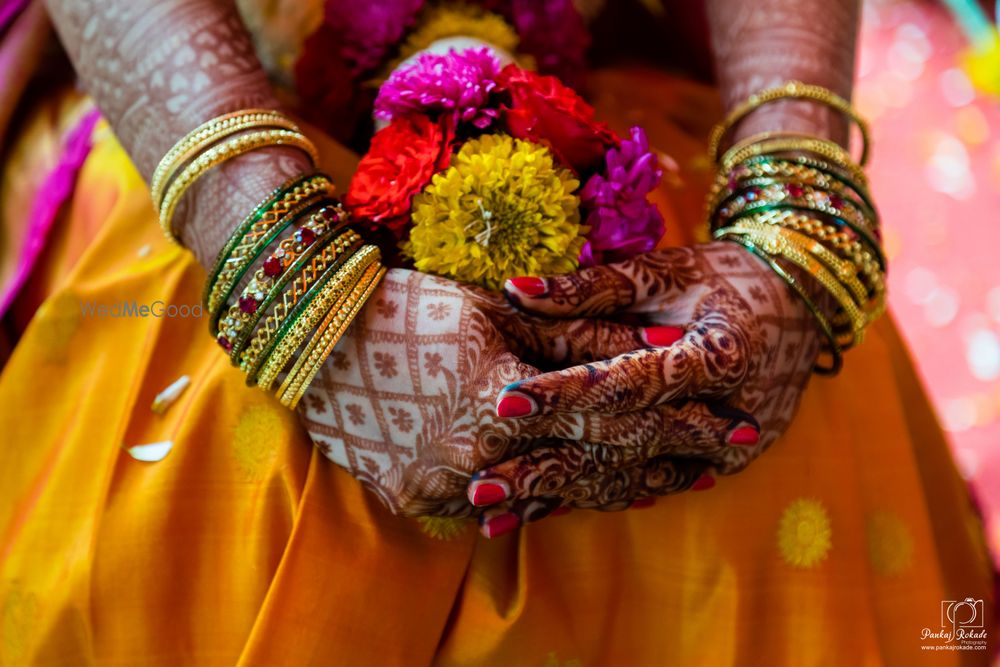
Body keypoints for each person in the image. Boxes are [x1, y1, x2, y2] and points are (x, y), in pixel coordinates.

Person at [0, 0, 993, 664]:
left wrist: (793, 206)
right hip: (207, 104)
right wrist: (285, 274)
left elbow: (784, 206)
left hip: (633, 108)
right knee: (202, 508)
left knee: (758, 463)